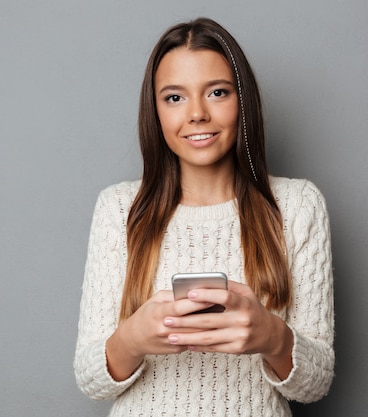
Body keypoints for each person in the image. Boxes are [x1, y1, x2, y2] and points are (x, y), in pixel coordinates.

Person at [74, 17, 334, 417]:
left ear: (242, 100)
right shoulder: (119, 208)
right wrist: (132, 339)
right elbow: (89, 379)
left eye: (216, 92)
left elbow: (316, 385)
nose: (196, 114)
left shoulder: (297, 205)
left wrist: (272, 337)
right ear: (155, 111)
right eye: (174, 98)